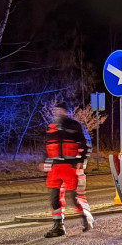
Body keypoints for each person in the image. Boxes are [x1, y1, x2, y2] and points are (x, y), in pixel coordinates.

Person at [41, 101, 95, 237]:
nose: (57, 113)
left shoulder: (75, 125)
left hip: (70, 166)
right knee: (54, 198)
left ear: (66, 112)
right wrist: (44, 162)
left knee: (76, 197)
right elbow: (46, 146)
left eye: (60, 110)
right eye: (55, 110)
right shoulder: (50, 128)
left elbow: (87, 143)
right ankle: (58, 226)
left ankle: (86, 218)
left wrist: (81, 161)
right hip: (54, 168)